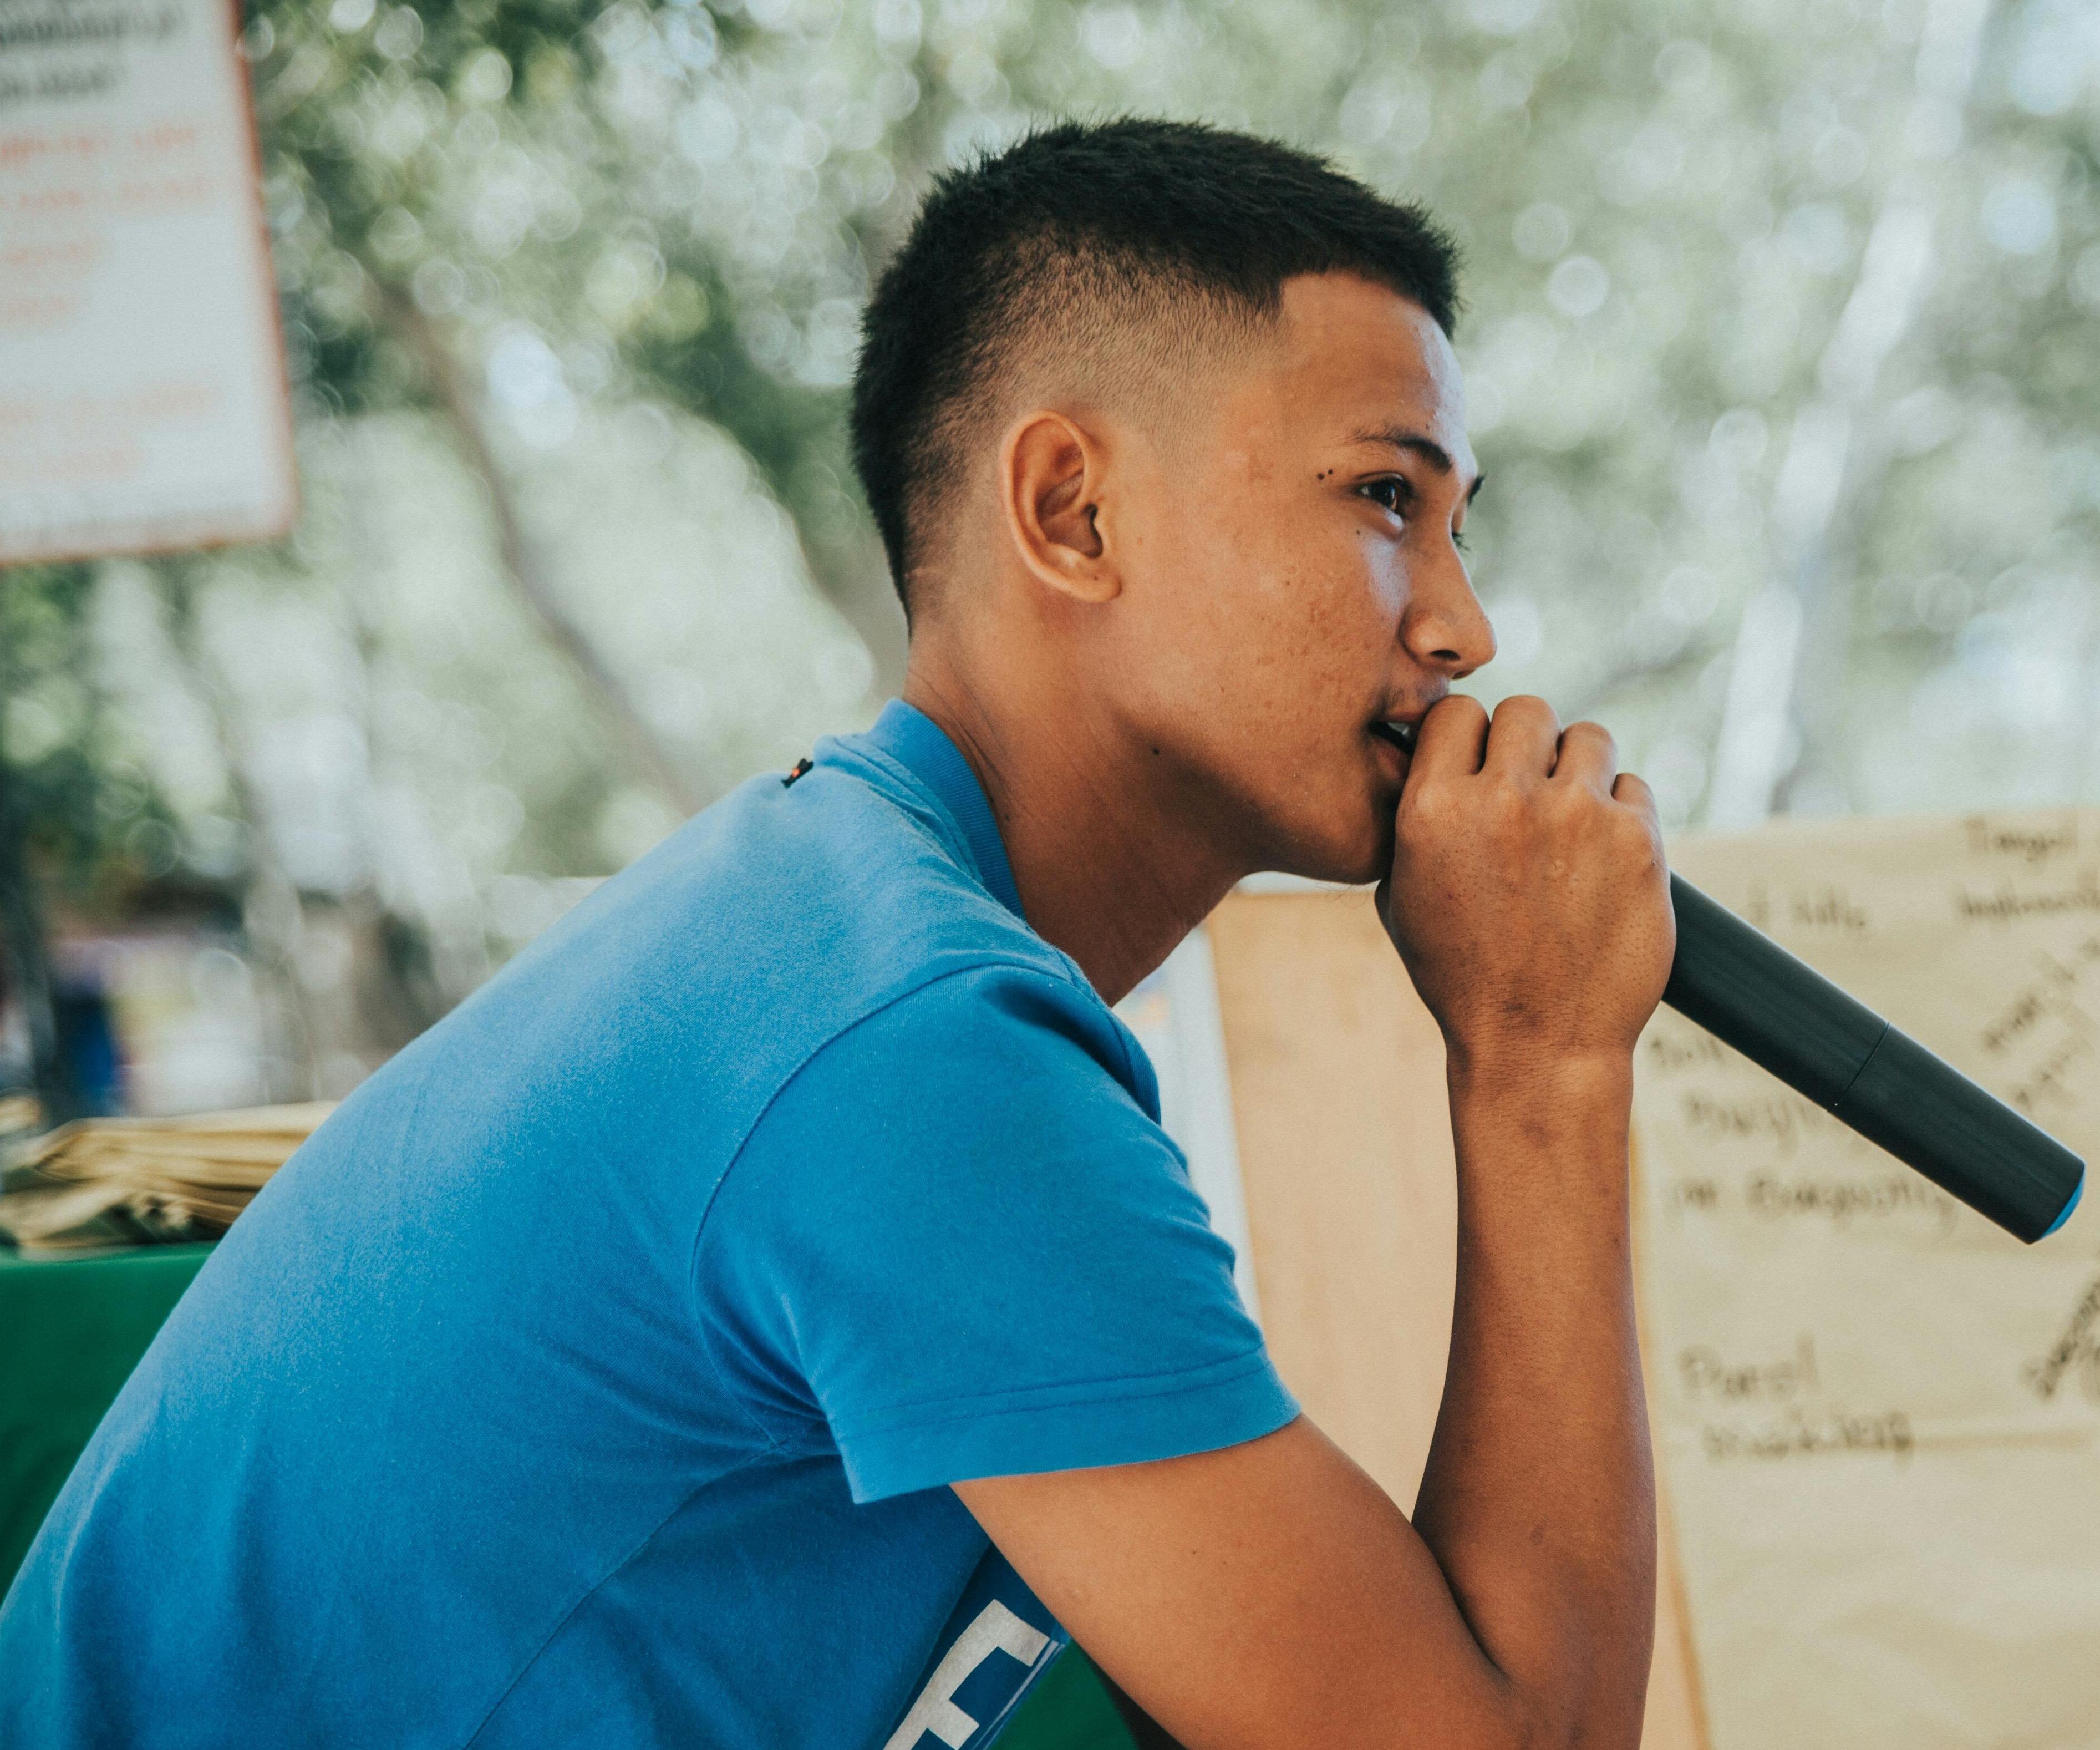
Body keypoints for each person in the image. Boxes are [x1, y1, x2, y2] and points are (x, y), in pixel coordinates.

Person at [0, 119, 1672, 1750]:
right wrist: (1542, 1059)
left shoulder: (834, 921)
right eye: (1384, 497)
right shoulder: (908, 1047)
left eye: (1456, 527)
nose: (1464, 627)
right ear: (1072, 511)